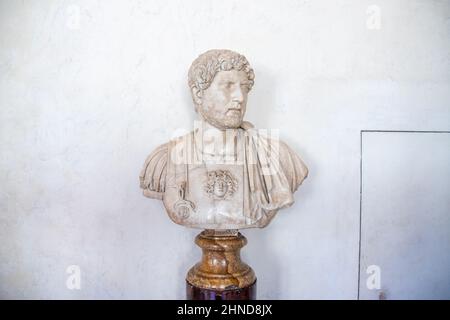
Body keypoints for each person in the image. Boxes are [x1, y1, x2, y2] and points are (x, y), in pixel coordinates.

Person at [139, 49, 308, 229]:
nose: (240, 97)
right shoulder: (165, 160)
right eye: (228, 85)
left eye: (244, 87)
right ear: (198, 94)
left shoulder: (277, 155)